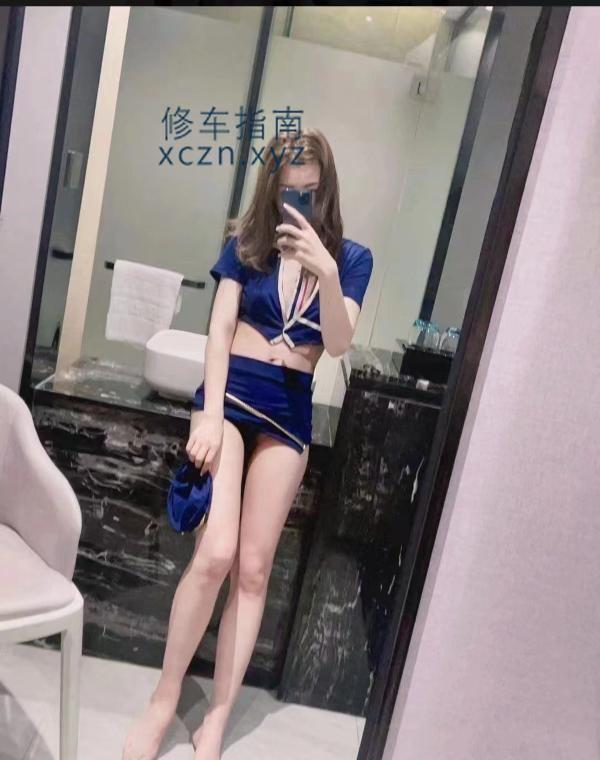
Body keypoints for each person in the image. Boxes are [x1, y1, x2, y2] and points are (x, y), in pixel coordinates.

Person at [122, 128, 373, 760]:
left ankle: (218, 716)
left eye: (310, 190)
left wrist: (325, 268)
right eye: (289, 191)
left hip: (289, 414)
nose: (299, 202)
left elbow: (337, 344)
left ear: (327, 188)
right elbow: (220, 328)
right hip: (230, 401)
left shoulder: (352, 260)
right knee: (215, 555)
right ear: (271, 188)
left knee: (255, 569)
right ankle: (164, 700)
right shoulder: (247, 244)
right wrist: (208, 416)